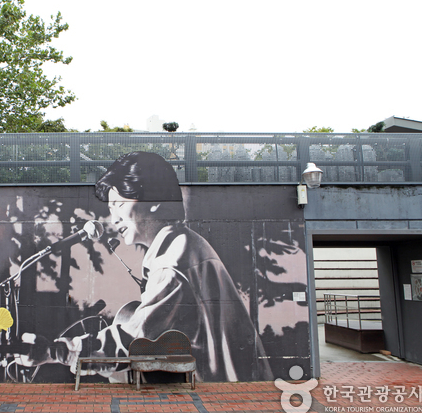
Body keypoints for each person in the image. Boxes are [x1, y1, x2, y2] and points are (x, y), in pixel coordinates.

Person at [25, 152, 273, 382]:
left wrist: (57, 351)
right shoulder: (182, 246)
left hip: (228, 399)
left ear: (154, 200)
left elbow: (137, 340)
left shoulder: (172, 260)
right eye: (110, 210)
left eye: (119, 205)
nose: (114, 219)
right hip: (234, 390)